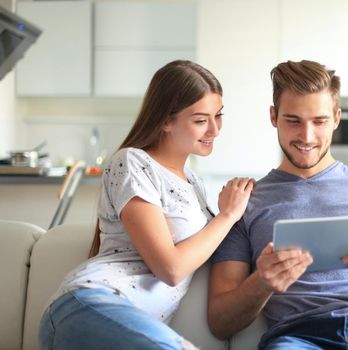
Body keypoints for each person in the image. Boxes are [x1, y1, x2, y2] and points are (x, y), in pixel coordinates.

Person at [208, 60, 348, 350]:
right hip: (298, 338)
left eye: (319, 121)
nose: (307, 136)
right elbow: (219, 323)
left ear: (337, 118)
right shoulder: (245, 203)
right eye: (293, 121)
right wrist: (262, 282)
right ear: (273, 116)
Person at [38, 60, 254, 350]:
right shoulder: (132, 162)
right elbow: (171, 269)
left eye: (219, 115)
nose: (215, 129)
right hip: (88, 304)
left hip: (132, 324)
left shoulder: (195, 184)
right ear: (165, 120)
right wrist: (227, 215)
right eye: (201, 120)